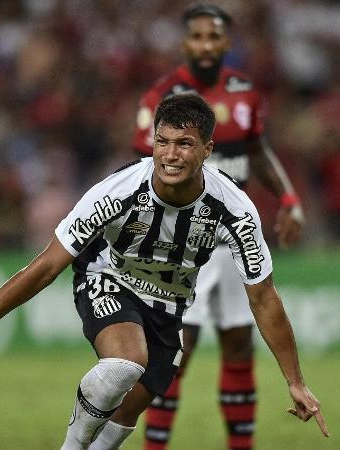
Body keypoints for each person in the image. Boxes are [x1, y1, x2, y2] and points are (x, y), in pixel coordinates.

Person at [0, 93, 328, 450]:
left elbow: (263, 296)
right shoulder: (116, 191)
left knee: (128, 411)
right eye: (163, 142)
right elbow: (47, 265)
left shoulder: (235, 210)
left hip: (170, 306)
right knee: (124, 364)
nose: (170, 155)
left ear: (207, 149)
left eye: (184, 144)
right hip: (108, 277)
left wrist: (294, 380)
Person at [133, 4, 305, 450]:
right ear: (185, 42)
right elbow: (143, 163)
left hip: (230, 236)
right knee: (176, 350)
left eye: (214, 37)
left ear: (227, 43)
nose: (205, 46)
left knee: (238, 343)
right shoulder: (162, 95)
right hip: (180, 236)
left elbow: (257, 150)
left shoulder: (244, 92)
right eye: (197, 37)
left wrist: (287, 197)